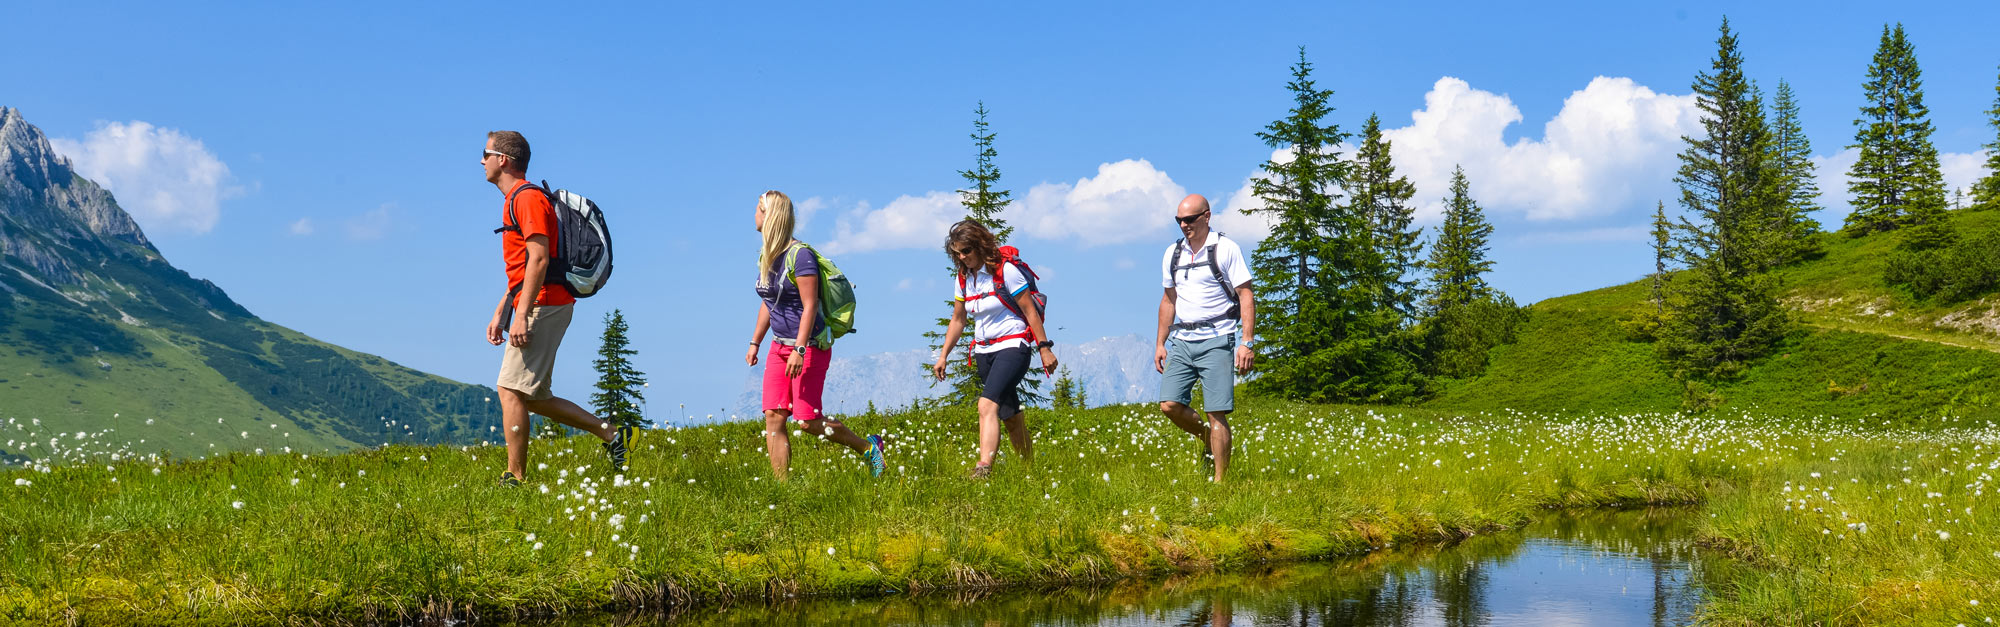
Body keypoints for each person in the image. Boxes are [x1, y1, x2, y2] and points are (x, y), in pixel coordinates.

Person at [481, 130, 631, 487]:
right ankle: (612, 434)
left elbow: (539, 258)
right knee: (533, 396)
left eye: (485, 153)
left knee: (511, 391)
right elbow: (522, 265)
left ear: (503, 159)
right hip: (537, 301)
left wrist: (522, 314)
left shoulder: (527, 198)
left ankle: (515, 477)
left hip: (544, 303)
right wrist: (503, 308)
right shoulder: (516, 199)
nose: (481, 161)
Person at [745, 190, 886, 480]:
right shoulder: (766, 256)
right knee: (774, 416)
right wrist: (755, 342)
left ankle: (869, 448)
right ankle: (782, 488)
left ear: (769, 215)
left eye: (757, 210)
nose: (753, 216)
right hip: (778, 346)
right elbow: (768, 302)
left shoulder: (802, 255)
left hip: (808, 346)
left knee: (807, 422)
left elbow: (810, 306)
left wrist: (799, 349)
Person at [931, 220, 1058, 479]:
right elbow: (958, 319)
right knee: (1009, 414)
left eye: (966, 250)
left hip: (1013, 346)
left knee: (986, 404)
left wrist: (1044, 347)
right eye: (957, 253)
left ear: (980, 245)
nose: (962, 257)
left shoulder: (1006, 271)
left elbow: (1029, 311)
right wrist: (943, 355)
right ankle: (1030, 471)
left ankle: (983, 468)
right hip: (984, 352)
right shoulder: (964, 279)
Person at [1155, 194, 1255, 483]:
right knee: (1169, 405)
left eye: (1190, 219)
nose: (1184, 225)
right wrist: (1160, 343)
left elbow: (1245, 294)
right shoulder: (1172, 254)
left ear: (1207, 217)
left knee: (1216, 413)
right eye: (1179, 220)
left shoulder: (1225, 248)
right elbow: (1168, 300)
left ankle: (1220, 484)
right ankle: (1204, 437)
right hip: (1183, 340)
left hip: (1218, 337)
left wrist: (1246, 341)